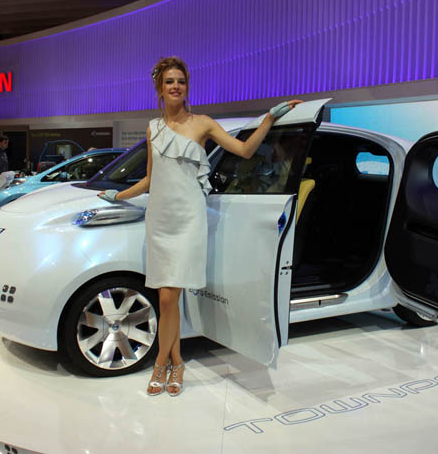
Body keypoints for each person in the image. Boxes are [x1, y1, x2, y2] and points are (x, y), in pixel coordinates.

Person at [99, 56, 301, 397]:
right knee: (167, 300)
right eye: (169, 81)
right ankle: (176, 362)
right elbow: (150, 178)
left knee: (169, 298)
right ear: (160, 89)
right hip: (160, 220)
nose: (176, 86)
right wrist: (118, 195)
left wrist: (269, 118)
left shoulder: (203, 123)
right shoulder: (153, 128)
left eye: (181, 81)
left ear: (187, 87)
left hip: (189, 219)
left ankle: (162, 364)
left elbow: (245, 150)